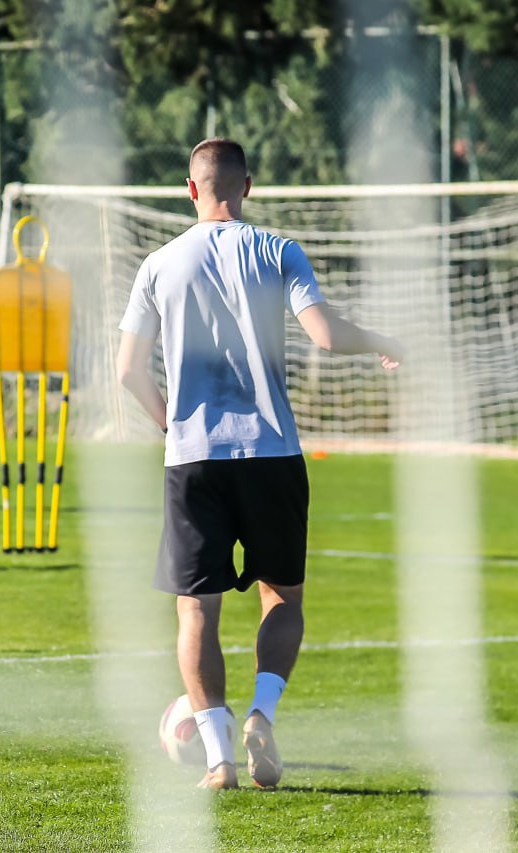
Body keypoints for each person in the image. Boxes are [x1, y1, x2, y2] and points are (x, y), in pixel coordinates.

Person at [117, 138, 404, 790]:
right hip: (271, 451)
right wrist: (382, 341)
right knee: (283, 596)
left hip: (193, 457)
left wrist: (171, 423)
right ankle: (261, 715)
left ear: (191, 189)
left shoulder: (159, 264)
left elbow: (128, 370)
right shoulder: (278, 250)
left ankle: (218, 759)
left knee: (196, 612)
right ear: (247, 185)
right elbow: (326, 336)